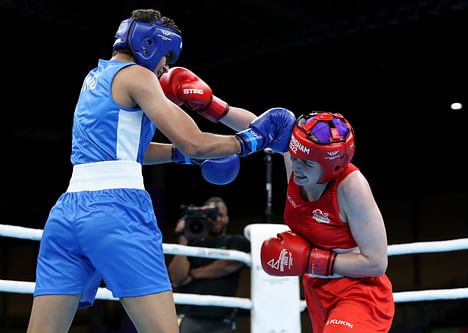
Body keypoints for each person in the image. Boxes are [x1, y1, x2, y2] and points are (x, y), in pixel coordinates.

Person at [27, 8, 295, 333]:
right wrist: (250, 141)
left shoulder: (95, 77)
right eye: (166, 57)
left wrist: (180, 157)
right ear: (149, 44)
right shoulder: (138, 76)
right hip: (116, 213)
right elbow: (195, 141)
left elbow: (127, 153)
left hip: (66, 215)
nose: (165, 67)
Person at [260, 112, 395, 333]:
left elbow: (377, 263)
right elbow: (258, 127)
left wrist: (312, 260)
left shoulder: (351, 187)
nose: (297, 166)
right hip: (318, 293)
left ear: (330, 164)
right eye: (294, 156)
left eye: (307, 162)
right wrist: (212, 107)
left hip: (359, 292)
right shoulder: (296, 163)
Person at [168, 196, 249, 333]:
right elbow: (176, 278)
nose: (216, 219)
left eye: (220, 215)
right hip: (190, 317)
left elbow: (227, 265)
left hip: (223, 320)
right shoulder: (191, 245)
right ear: (203, 217)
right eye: (211, 215)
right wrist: (183, 239)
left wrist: (193, 274)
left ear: (227, 218)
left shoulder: (235, 241)